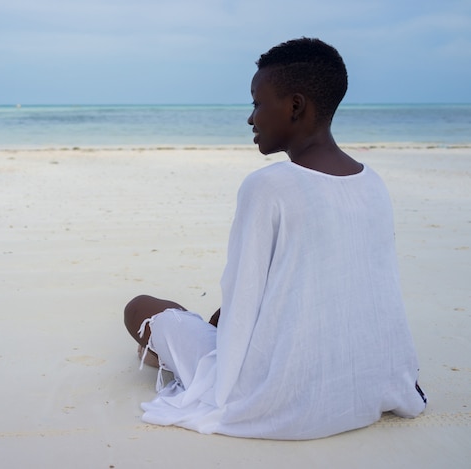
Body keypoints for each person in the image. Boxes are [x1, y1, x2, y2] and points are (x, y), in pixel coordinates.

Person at [123, 37, 427, 440]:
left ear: (296, 106)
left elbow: (243, 295)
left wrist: (218, 371)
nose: (251, 119)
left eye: (257, 103)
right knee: (216, 317)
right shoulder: (372, 182)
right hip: (370, 379)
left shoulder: (269, 186)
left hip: (282, 394)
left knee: (140, 308)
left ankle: (176, 351)